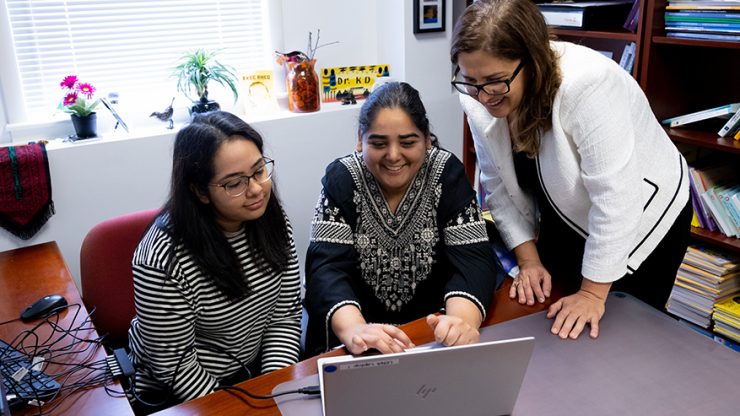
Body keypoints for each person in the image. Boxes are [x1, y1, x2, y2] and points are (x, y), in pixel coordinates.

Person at [450, 0, 691, 340]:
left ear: (531, 63)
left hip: (642, 216)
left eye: (495, 81)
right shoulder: (476, 91)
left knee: (617, 334)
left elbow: (616, 198)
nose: (484, 96)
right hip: (565, 206)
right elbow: (497, 184)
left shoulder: (588, 85)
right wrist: (529, 259)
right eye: (470, 80)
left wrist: (592, 293)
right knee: (556, 313)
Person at [303, 82, 498, 356]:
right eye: (378, 143)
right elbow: (325, 270)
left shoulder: (446, 174)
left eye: (408, 142)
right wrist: (356, 330)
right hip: (359, 343)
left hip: (431, 337)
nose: (393, 156)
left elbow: (473, 259)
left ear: (427, 139)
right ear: (361, 139)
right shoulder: (342, 179)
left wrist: (460, 323)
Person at [127, 111, 302, 410]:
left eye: (259, 170)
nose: (257, 189)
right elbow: (175, 368)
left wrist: (273, 391)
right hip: (179, 391)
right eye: (234, 184)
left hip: (251, 372)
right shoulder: (161, 260)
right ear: (199, 191)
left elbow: (284, 315)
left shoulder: (270, 218)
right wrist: (239, 410)